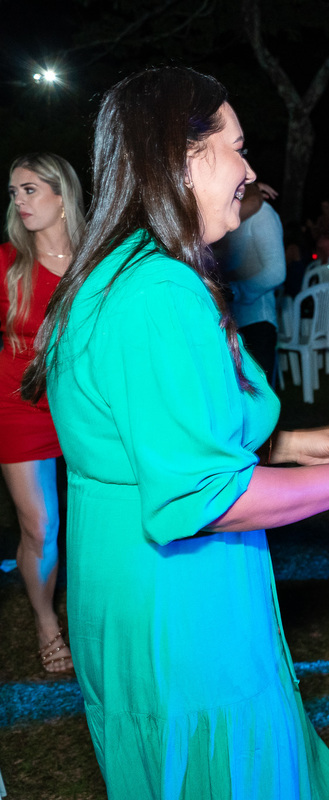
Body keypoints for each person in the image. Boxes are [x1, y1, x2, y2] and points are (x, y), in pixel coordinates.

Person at [22, 66, 329, 798]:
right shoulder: (156, 293)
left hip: (138, 588)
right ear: (181, 157)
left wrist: (287, 445)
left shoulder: (121, 271)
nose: (249, 171)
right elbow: (201, 497)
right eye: (237, 148)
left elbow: (149, 429)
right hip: (179, 603)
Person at [2, 152, 85, 673]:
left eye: (30, 189)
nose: (19, 200)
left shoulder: (93, 262)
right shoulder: (8, 264)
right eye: (13, 192)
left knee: (97, 520)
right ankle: (46, 622)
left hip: (83, 409)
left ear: (62, 195)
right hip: (17, 408)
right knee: (40, 526)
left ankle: (100, 612)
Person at [214, 181, 286, 381]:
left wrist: (236, 291)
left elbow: (276, 271)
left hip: (257, 321)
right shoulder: (223, 217)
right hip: (225, 323)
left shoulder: (263, 214)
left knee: (259, 400)